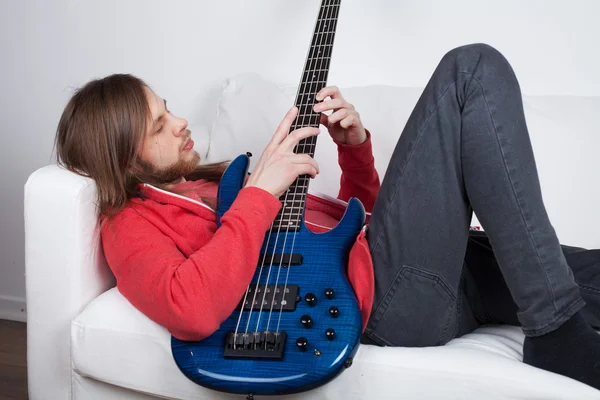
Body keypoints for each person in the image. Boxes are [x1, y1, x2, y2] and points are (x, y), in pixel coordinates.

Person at [54, 43, 600, 390]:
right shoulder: (131, 222)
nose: (178, 122)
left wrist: (355, 148)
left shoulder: (218, 179)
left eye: (168, 106)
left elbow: (361, 226)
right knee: (472, 69)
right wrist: (260, 192)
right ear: (123, 157)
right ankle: (553, 330)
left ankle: (553, 313)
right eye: (157, 125)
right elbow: (189, 306)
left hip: (441, 276)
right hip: (390, 303)